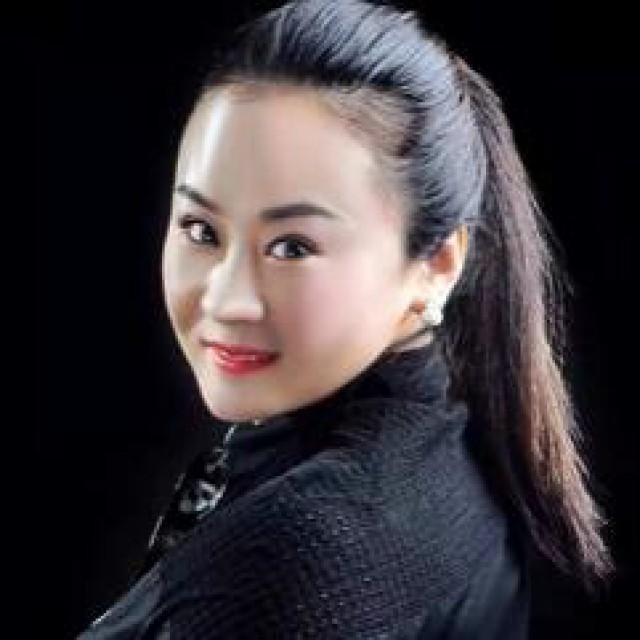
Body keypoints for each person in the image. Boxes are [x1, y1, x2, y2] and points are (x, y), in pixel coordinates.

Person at [76, 0, 615, 637]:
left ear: (437, 263)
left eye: (292, 247)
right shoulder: (451, 438)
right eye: (201, 230)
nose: (225, 300)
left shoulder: (303, 549)